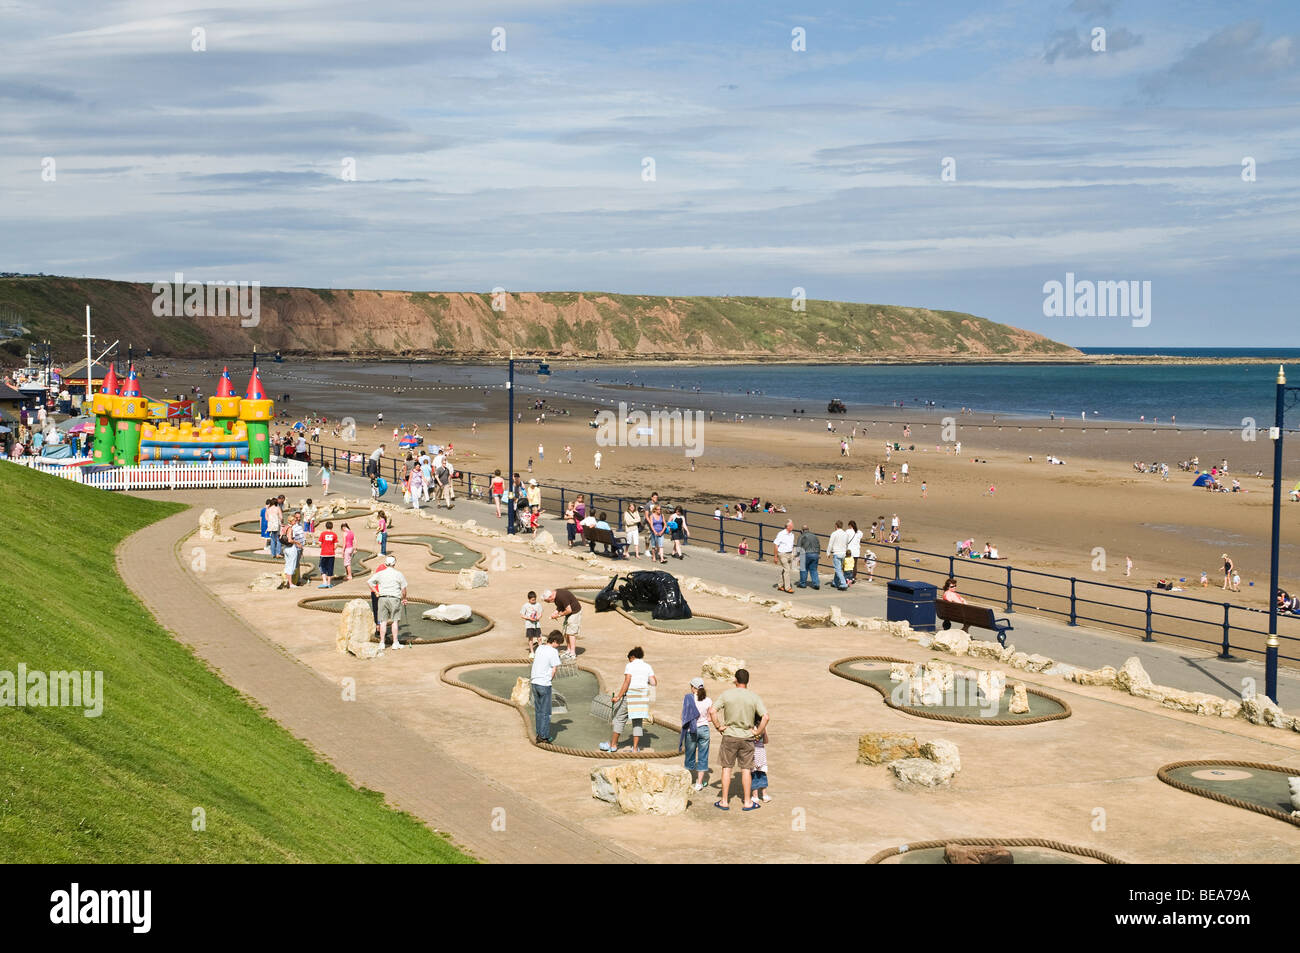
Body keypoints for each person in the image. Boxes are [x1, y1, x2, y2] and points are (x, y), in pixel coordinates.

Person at [709, 669, 769, 812]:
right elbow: (765, 717)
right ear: (747, 681)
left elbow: (712, 711)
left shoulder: (726, 694)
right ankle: (747, 802)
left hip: (729, 735)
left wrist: (718, 727)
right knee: (746, 770)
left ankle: (724, 801)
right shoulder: (754, 697)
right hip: (747, 737)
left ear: (736, 680)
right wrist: (757, 732)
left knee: (726, 768)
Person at [603, 646, 657, 754]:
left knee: (620, 718)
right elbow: (654, 682)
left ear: (632, 657)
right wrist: (643, 681)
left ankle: (613, 745)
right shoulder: (647, 666)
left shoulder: (630, 666)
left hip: (631, 695)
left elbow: (627, 682)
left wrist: (618, 697)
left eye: (629, 659)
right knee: (637, 722)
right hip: (642, 697)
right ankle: (635, 748)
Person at [369, 554, 408, 652]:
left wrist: (376, 591)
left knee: (383, 621)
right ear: (394, 563)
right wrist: (404, 598)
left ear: (386, 563)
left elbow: (369, 582)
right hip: (394, 598)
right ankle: (395, 643)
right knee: (395, 621)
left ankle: (382, 643)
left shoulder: (381, 573)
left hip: (382, 598)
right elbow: (403, 589)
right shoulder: (398, 574)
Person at [530, 631, 563, 744]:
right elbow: (554, 669)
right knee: (546, 712)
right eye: (558, 643)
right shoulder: (553, 651)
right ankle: (544, 737)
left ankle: (539, 734)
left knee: (539, 710)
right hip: (544, 683)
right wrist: (549, 680)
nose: (559, 646)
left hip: (534, 682)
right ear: (554, 641)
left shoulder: (540, 648)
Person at [680, 677, 712, 790]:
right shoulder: (708, 700)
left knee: (690, 755)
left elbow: (683, 716)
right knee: (703, 756)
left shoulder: (688, 699)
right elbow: (709, 717)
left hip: (692, 730)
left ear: (693, 688)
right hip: (704, 729)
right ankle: (699, 783)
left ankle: (688, 781)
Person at [544, 588, 582, 660]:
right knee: (566, 632)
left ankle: (572, 653)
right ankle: (568, 650)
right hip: (569, 613)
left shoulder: (561, 596)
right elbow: (560, 606)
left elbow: (569, 610)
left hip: (574, 612)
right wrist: (555, 612)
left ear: (550, 597)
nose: (549, 602)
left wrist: (558, 615)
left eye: (548, 601)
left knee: (571, 633)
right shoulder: (556, 596)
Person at [773, 520, 797, 593]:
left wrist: (793, 554)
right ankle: (787, 587)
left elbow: (791, 545)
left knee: (785, 570)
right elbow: (776, 544)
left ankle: (780, 585)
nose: (793, 527)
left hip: (789, 554)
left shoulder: (792, 535)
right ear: (788, 527)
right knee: (787, 570)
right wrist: (775, 556)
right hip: (782, 553)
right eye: (792, 526)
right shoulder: (781, 534)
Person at [796, 524, 821, 590]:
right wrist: (818, 554)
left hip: (805, 554)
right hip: (815, 554)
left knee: (803, 569)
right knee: (814, 570)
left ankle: (803, 583)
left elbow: (798, 547)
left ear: (802, 530)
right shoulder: (814, 536)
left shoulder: (801, 536)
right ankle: (816, 583)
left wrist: (797, 556)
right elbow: (818, 545)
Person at [827, 520, 849, 590]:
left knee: (838, 569)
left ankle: (843, 583)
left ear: (836, 525)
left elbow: (830, 544)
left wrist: (828, 552)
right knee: (838, 568)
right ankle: (835, 582)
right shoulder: (845, 534)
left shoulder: (834, 533)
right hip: (843, 553)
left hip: (837, 553)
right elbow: (847, 544)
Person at [317, 520, 339, 589]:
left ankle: (324, 581)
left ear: (326, 526)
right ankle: (329, 583)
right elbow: (336, 545)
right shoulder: (334, 535)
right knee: (330, 568)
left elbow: (320, 543)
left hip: (324, 553)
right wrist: (332, 549)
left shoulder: (323, 534)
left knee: (322, 567)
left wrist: (323, 546)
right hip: (331, 554)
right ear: (332, 527)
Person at [521, 590, 543, 655]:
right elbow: (522, 615)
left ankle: (540, 651)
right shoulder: (525, 605)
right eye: (532, 600)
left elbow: (540, 613)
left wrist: (538, 618)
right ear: (529, 599)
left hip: (537, 625)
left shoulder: (538, 605)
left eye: (535, 600)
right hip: (529, 625)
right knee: (531, 638)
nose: (534, 601)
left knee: (539, 638)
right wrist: (529, 618)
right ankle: (532, 652)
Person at [846, 519, 862, 585]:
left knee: (848, 565)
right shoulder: (859, 532)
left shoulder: (848, 531)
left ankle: (848, 578)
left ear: (850, 525)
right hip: (856, 551)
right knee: (854, 565)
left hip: (850, 550)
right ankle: (853, 578)